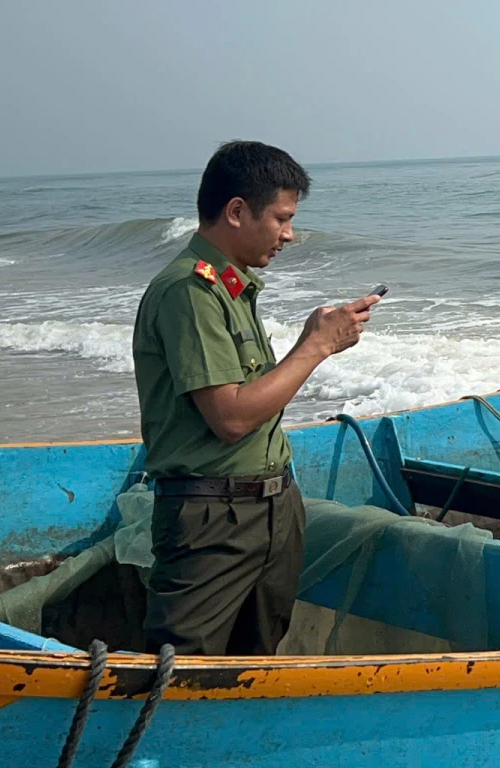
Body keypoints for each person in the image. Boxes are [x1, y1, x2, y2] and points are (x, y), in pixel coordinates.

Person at [134, 140, 381, 656]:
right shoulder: (191, 292)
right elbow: (231, 417)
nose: (289, 234)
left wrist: (309, 344)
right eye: (282, 218)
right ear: (237, 211)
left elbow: (253, 398)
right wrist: (316, 347)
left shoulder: (232, 288)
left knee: (255, 670)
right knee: (182, 678)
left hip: (270, 510)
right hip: (213, 523)